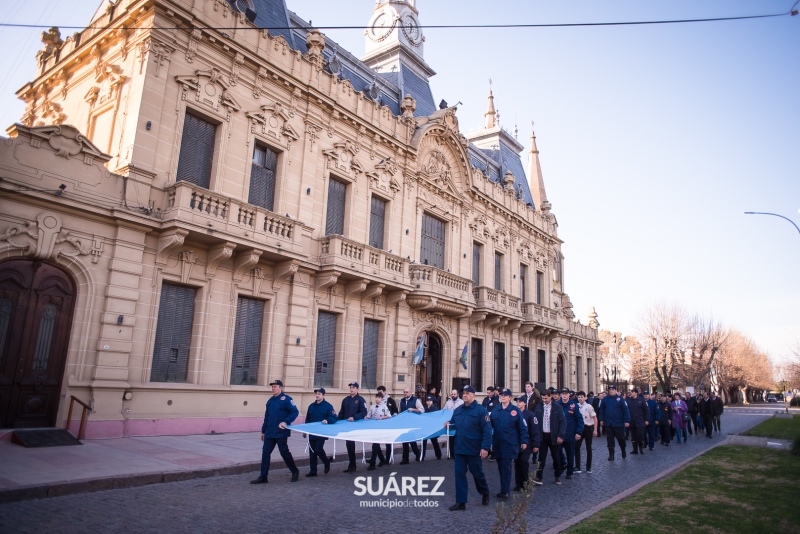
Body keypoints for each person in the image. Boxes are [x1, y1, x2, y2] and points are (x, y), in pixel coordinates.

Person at [446, 385, 492, 511]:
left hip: (474, 449)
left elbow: (487, 431)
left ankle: (484, 491)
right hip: (460, 448)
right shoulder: (459, 410)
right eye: (463, 393)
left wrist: (485, 448)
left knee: (477, 473)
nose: (464, 395)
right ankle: (461, 502)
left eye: (467, 393)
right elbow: (453, 421)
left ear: (473, 395)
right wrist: (449, 423)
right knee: (459, 474)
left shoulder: (481, 411)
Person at [251, 379, 300, 484]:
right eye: (272, 387)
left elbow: (295, 412)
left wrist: (286, 422)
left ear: (280, 388)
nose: (273, 388)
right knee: (265, 454)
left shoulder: (286, 399)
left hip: (281, 432)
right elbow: (267, 417)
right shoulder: (270, 401)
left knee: (284, 453)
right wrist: (263, 431)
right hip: (269, 432)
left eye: (275, 386)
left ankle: (295, 471)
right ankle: (263, 477)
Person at [490, 389, 529, 498]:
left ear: (510, 398)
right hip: (498, 443)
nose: (502, 397)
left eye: (505, 395)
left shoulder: (515, 411)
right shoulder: (496, 410)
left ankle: (505, 491)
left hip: (510, 443)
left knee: (506, 467)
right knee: (500, 467)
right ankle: (504, 488)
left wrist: (524, 440)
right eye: (501, 395)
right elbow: (489, 425)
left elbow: (522, 427)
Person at [533, 389, 566, 485]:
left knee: (556, 457)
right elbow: (536, 421)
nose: (544, 400)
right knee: (541, 457)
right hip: (543, 435)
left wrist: (561, 435)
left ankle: (557, 475)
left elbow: (563, 421)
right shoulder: (539, 407)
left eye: (546, 398)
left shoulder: (557, 407)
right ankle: (539, 477)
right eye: (542, 398)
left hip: (554, 435)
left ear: (550, 396)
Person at [304, 387, 337, 477]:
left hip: (321, 432)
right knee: (312, 451)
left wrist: (327, 420)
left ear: (323, 395)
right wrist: (304, 430)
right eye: (316, 394)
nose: (317, 395)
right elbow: (308, 419)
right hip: (312, 432)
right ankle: (313, 471)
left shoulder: (328, 406)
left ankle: (326, 463)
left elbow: (334, 417)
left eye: (319, 394)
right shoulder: (311, 406)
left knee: (318, 449)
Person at [339, 381, 367, 473]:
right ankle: (351, 465)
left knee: (351, 445)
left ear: (357, 389)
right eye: (350, 387)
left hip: (355, 426)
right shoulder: (345, 399)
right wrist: (337, 421)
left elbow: (363, 412)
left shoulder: (360, 400)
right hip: (347, 426)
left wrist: (354, 417)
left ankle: (353, 465)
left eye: (353, 388)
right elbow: (342, 412)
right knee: (349, 445)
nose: (351, 389)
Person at [513, 395, 540, 490]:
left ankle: (524, 483)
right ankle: (518, 484)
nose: (518, 403)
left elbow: (535, 430)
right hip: (516, 443)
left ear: (524, 403)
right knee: (517, 463)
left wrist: (536, 444)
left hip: (527, 443)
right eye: (517, 402)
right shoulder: (514, 414)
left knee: (524, 462)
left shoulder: (530, 415)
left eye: (520, 402)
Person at [557, 388, 584, 479]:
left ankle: (569, 472)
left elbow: (579, 419)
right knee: (557, 452)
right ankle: (562, 465)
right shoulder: (557, 405)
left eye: (566, 394)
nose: (564, 395)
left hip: (570, 433)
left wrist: (578, 432)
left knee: (570, 454)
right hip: (560, 434)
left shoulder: (574, 405)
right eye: (563, 394)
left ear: (569, 395)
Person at [598, 384, 630, 461]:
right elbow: (602, 410)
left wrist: (627, 420)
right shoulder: (605, 399)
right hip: (608, 423)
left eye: (613, 389)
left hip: (618, 423)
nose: (611, 391)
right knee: (609, 440)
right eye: (610, 389)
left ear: (616, 390)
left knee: (621, 438)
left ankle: (623, 450)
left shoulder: (620, 399)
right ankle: (611, 454)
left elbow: (625, 411)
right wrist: (601, 419)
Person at [366, 392, 391, 471]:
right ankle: (382, 459)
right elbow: (369, 415)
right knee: (376, 445)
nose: (377, 399)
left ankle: (372, 463)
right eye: (376, 397)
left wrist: (383, 417)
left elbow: (389, 415)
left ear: (381, 399)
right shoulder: (372, 407)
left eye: (379, 398)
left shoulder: (384, 407)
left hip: (381, 428)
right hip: (373, 428)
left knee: (375, 445)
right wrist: (366, 417)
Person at [399, 387, 424, 464]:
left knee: (412, 441)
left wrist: (413, 410)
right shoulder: (401, 401)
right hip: (404, 424)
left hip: (412, 424)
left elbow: (422, 410)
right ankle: (405, 459)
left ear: (410, 392)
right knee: (404, 442)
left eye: (406, 392)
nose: (405, 393)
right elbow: (399, 411)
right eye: (404, 392)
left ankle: (417, 454)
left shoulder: (416, 400)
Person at [575, 391, 598, 474]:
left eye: (582, 397)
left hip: (588, 428)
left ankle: (588, 467)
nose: (580, 398)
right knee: (577, 447)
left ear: (585, 398)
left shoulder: (589, 406)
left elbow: (595, 418)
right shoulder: (576, 406)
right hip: (579, 429)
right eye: (579, 397)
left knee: (588, 447)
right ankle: (578, 466)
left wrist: (595, 430)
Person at [377, 385, 398, 462]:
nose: (379, 393)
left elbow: (395, 411)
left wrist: (394, 415)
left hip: (388, 423)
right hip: (379, 424)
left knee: (388, 442)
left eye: (381, 392)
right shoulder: (378, 400)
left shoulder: (391, 400)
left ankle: (388, 458)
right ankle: (381, 458)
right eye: (378, 392)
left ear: (384, 392)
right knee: (376, 442)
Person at [625, 388, 648, 455]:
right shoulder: (628, 400)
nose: (631, 393)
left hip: (640, 421)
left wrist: (647, 419)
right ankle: (635, 449)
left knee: (640, 436)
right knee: (633, 436)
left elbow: (646, 410)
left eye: (632, 392)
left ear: (636, 393)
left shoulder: (641, 400)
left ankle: (641, 448)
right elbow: (626, 411)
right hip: (631, 421)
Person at [443, 389, 464, 457]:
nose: (453, 395)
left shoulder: (461, 402)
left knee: (458, 438)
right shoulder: (448, 403)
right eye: (452, 394)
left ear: (457, 395)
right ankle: (451, 454)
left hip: (459, 423)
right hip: (450, 423)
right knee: (450, 439)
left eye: (454, 394)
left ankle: (458, 452)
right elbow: (444, 411)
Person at [422, 395, 442, 460]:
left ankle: (438, 455)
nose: (429, 402)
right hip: (425, 428)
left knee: (434, 442)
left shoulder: (435, 409)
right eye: (428, 401)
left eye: (430, 401)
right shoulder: (424, 409)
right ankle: (422, 456)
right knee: (423, 442)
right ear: (426, 402)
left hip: (432, 428)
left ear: (432, 402)